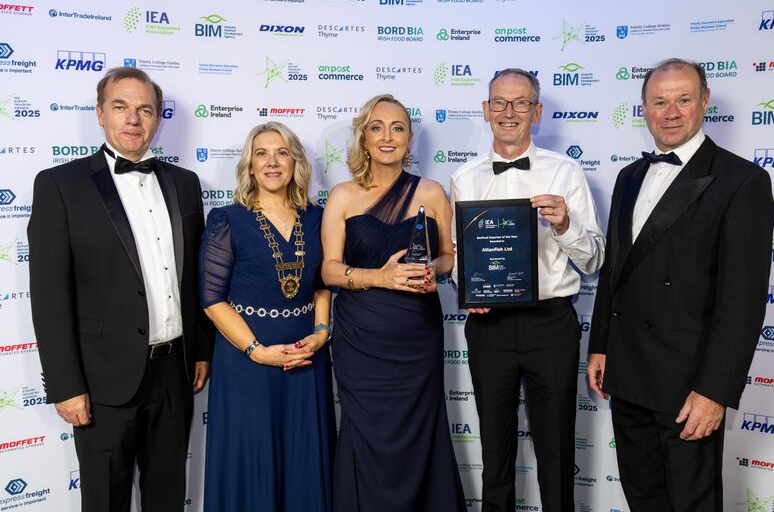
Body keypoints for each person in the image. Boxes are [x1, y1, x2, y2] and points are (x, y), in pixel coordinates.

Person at [587, 58, 774, 512]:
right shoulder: (629, 176)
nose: (671, 112)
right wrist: (600, 345)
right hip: (628, 375)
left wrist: (715, 392)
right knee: (644, 499)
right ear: (644, 109)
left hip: (688, 385)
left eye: (683, 99)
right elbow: (615, 270)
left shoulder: (742, 180)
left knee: (692, 505)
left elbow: (743, 303)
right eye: (659, 101)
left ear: (704, 101)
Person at [27, 66, 213, 512]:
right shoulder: (59, 185)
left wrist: (201, 349)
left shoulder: (184, 184)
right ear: (100, 114)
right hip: (101, 380)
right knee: (106, 500)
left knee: (167, 495)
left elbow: (194, 279)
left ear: (157, 119)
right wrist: (66, 385)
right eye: (121, 107)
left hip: (174, 371)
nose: (133, 119)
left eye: (144, 109)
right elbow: (49, 296)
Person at [450, 68, 605, 511]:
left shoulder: (566, 171)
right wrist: (470, 291)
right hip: (490, 327)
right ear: (486, 110)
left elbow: (594, 259)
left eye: (521, 103)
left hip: (550, 325)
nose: (509, 112)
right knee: (494, 453)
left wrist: (564, 224)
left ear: (536, 112)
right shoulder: (465, 176)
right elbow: (461, 257)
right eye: (499, 102)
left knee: (556, 449)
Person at [321, 94, 466, 511]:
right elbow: (330, 271)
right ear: (363, 138)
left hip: (416, 337)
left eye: (398, 127)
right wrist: (379, 277)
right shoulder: (343, 196)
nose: (388, 136)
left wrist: (432, 272)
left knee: (421, 435)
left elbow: (448, 256)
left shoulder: (432, 192)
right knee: (365, 436)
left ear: (409, 139)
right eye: (377, 127)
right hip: (361, 342)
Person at [199, 122, 334, 511]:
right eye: (262, 153)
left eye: (282, 152)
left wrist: (322, 330)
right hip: (247, 363)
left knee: (304, 457)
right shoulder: (228, 219)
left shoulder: (317, 217)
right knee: (251, 460)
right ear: (250, 165)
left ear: (295, 162)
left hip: (306, 357)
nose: (272, 162)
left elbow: (323, 283)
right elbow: (212, 299)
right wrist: (256, 351)